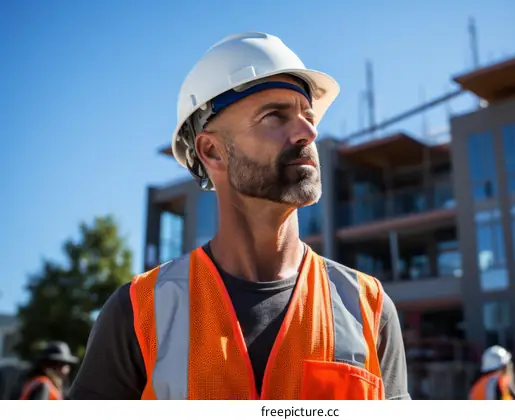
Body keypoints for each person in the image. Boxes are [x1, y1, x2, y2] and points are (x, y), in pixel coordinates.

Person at [69, 32, 410, 400]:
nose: (307, 131)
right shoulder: (138, 314)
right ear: (213, 151)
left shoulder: (369, 308)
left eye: (308, 116)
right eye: (275, 116)